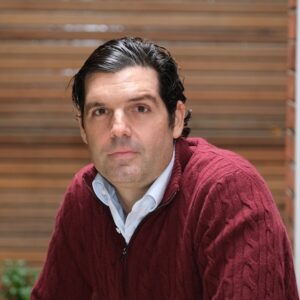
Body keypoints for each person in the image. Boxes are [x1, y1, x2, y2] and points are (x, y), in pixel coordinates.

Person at [31, 37, 299, 300]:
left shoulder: (229, 192)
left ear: (176, 119)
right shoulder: (85, 195)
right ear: (83, 130)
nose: (118, 129)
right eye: (100, 111)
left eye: (140, 108)